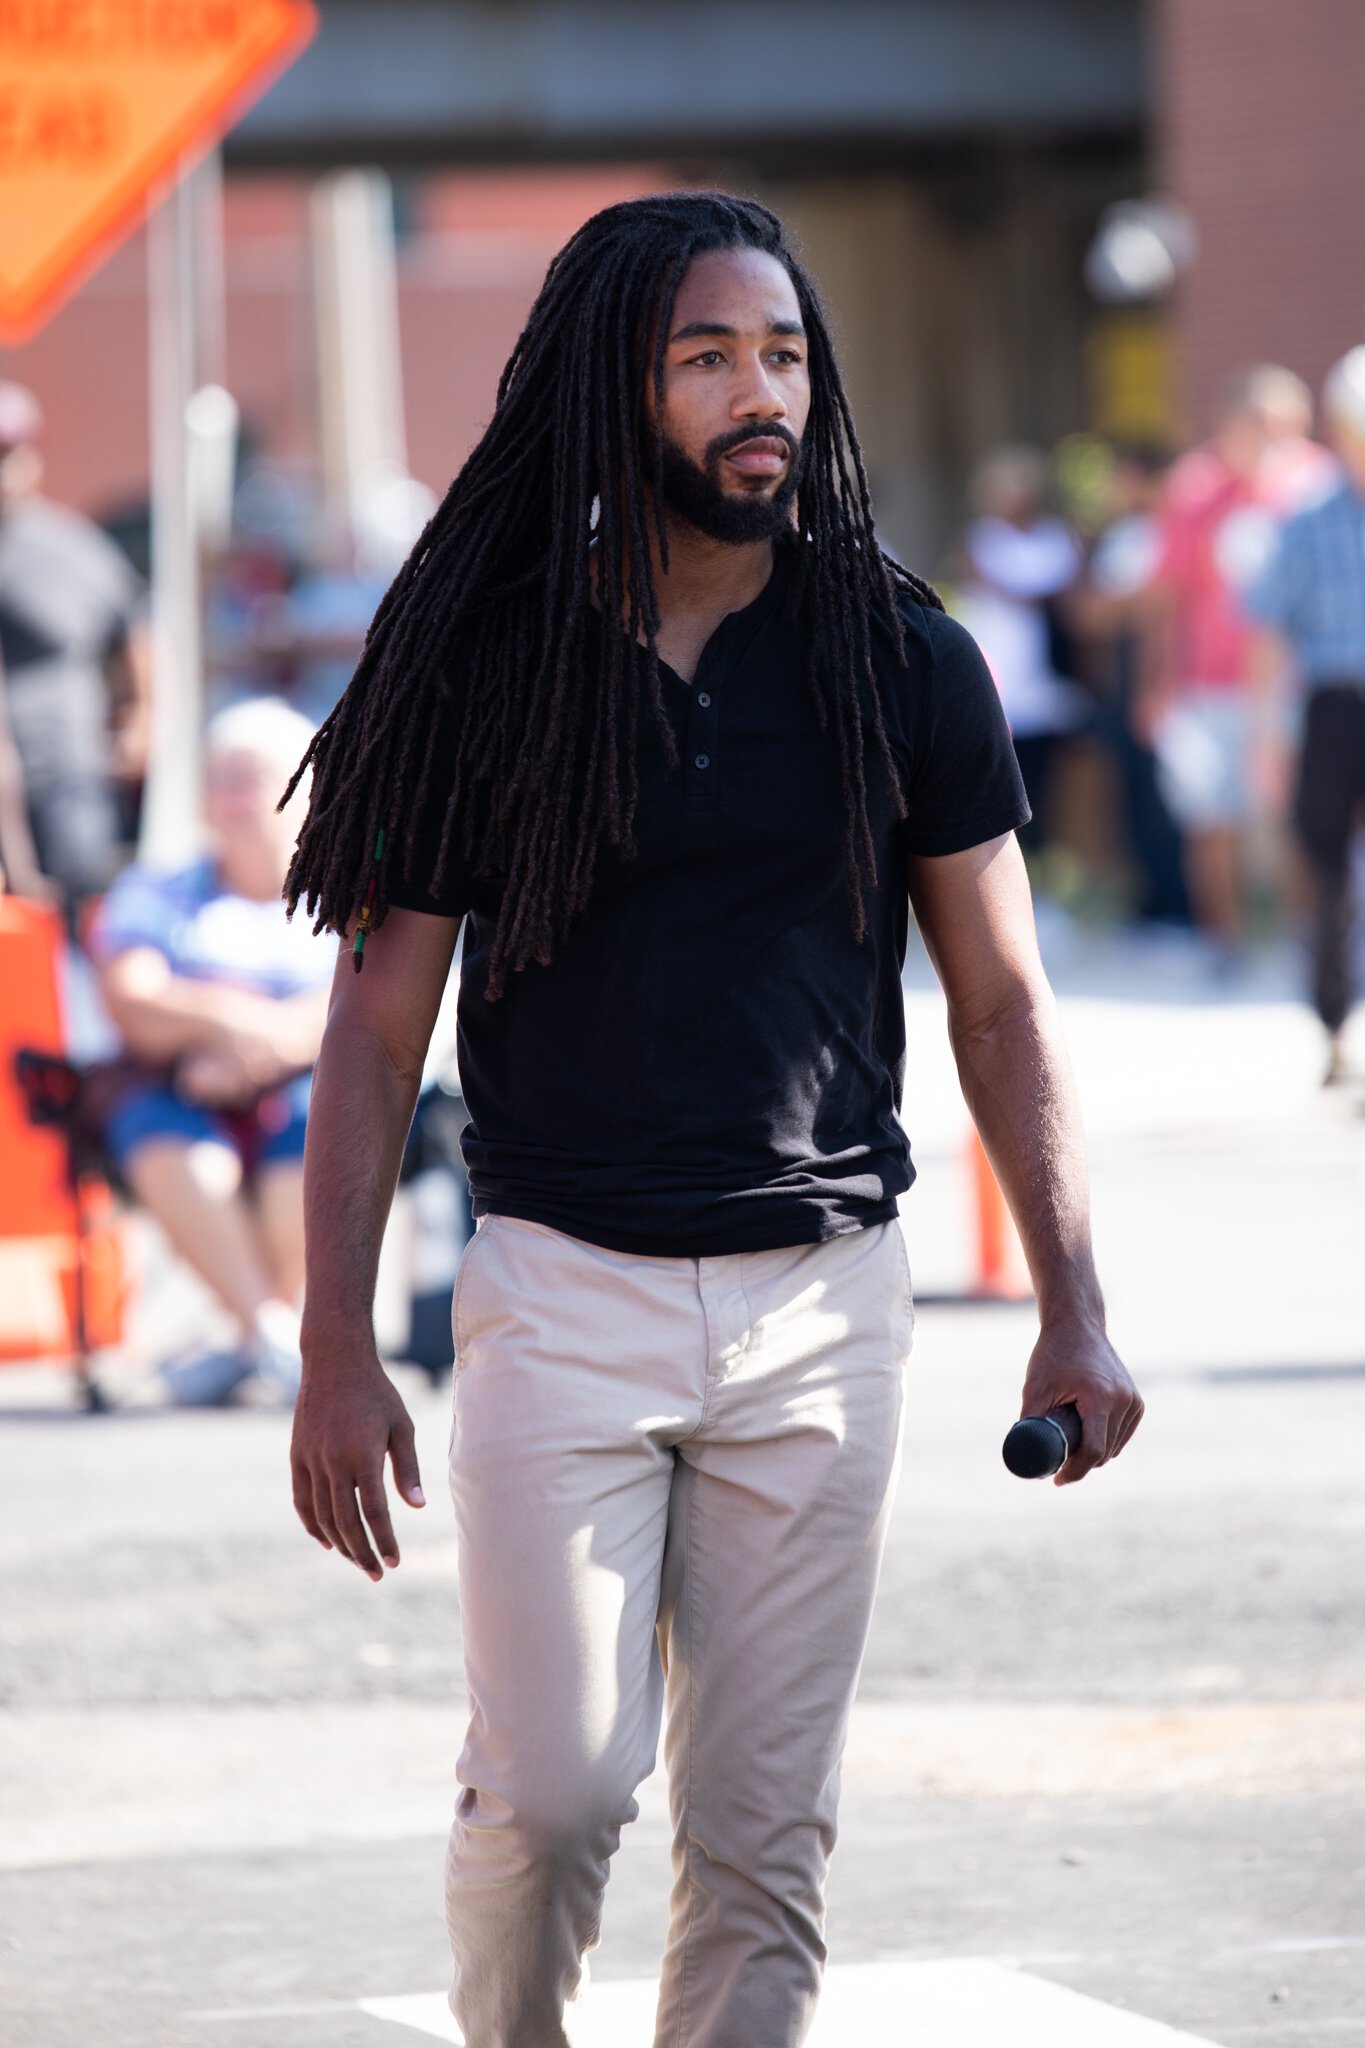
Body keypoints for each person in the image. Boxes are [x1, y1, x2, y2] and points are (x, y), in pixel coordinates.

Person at [284, 192, 1143, 2048]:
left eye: (783, 354)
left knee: (762, 1843)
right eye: (707, 357)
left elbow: (1000, 997)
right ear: (616, 388)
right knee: (559, 1791)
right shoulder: (482, 666)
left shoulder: (898, 657)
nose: (761, 393)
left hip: (825, 1307)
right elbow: (370, 1027)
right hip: (557, 1290)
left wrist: (1074, 1298)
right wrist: (333, 1343)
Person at [88, 697, 335, 1403]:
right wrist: (228, 1029)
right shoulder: (160, 888)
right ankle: (275, 1338)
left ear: (302, 786)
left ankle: (252, 1342)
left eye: (249, 778)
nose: (229, 799)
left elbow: (368, 1002)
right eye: (217, 779)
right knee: (169, 1140)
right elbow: (133, 997)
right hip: (180, 1087)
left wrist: (260, 1047)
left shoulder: (338, 891)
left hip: (302, 1086)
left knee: (317, 1130)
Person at [1141, 366, 1328, 960]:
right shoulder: (1194, 487)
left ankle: (1313, 942)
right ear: (1234, 423)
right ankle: (1225, 943)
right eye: (1264, 426)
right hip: (1209, 686)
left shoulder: (1319, 485)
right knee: (1211, 818)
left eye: (1288, 428)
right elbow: (1167, 594)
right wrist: (1156, 681)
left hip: (1300, 681)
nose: (1276, 440)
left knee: (1306, 816)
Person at [1247, 346, 1365, 1082]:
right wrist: (1265, 735)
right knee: (1323, 871)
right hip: (1331, 707)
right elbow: (1266, 631)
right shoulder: (1308, 514)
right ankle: (1333, 1027)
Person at [0, 381, 151, 914]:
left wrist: (140, 715)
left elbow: (135, 629)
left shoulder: (71, 549)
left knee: (73, 917)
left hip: (64, 774)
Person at [954, 444, 1088, 850]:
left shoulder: (1057, 537)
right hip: (1003, 679)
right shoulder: (981, 540)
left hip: (1050, 675)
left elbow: (1072, 596)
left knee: (1050, 776)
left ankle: (1050, 860)